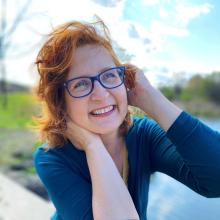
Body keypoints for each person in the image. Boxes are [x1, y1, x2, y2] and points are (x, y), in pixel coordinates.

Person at [33, 18, 220, 220]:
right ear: (60, 101)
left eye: (109, 76)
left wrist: (153, 99)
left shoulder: (143, 134)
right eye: (81, 84)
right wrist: (93, 146)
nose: (102, 94)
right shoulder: (52, 157)